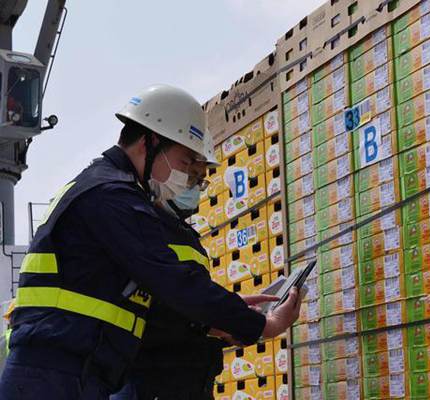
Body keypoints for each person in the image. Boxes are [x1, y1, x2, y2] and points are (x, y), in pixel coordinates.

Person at [0, 84, 300, 400]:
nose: (187, 176)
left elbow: (151, 300)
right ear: (150, 142)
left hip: (68, 372)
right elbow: (174, 280)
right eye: (185, 162)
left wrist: (222, 317)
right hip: (55, 377)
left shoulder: (104, 189)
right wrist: (262, 326)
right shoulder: (113, 196)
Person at [111, 186, 233, 400]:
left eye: (200, 180)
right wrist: (212, 320)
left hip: (189, 379)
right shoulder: (137, 230)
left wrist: (223, 315)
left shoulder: (186, 235)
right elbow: (146, 310)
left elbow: (192, 300)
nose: (195, 188)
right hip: (146, 380)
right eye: (189, 174)